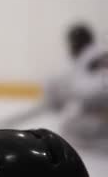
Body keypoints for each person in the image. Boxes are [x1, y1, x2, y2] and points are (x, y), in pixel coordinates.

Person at [44, 23, 108, 151]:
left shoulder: (89, 57)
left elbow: (93, 91)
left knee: (69, 127)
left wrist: (63, 93)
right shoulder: (100, 51)